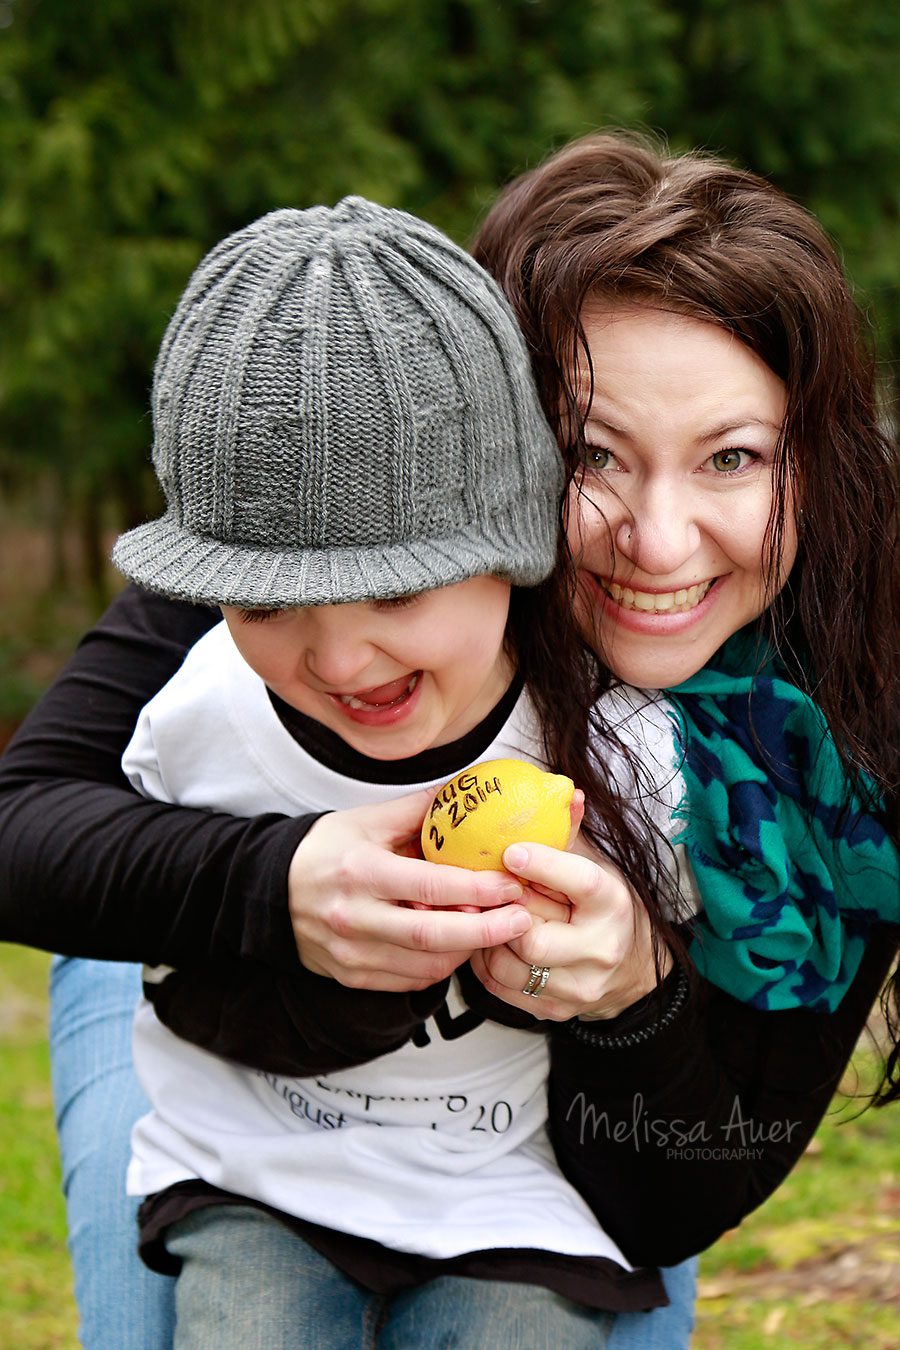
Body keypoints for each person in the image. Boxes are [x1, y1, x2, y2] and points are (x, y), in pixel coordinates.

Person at [0, 131, 896, 1344]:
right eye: (588, 455)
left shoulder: (844, 722)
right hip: (206, 973)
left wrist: (631, 1000)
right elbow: (27, 819)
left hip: (566, 1131)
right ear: (488, 442)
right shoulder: (340, 525)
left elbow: (681, 1190)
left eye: (733, 458)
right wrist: (268, 882)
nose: (660, 543)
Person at [97, 193, 703, 1347]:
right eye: (270, 603)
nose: (338, 654)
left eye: (396, 592)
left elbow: (672, 963)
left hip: (509, 1195)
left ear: (509, 547)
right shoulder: (198, 713)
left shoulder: (620, 752)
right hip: (255, 1173)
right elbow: (133, 897)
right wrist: (266, 910)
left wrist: (617, 950)